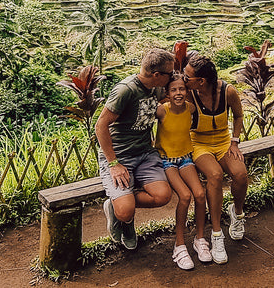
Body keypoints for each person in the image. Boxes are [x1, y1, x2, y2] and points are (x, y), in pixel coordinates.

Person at [95, 48, 174, 250]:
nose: (172, 77)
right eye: (170, 74)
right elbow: (101, 125)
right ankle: (124, 217)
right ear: (157, 75)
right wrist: (113, 163)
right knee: (125, 211)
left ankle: (118, 203)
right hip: (119, 156)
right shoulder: (125, 90)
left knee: (163, 196)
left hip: (145, 153)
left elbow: (166, 100)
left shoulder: (156, 88)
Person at [182, 54, 248, 264]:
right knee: (215, 174)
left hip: (223, 142)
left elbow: (238, 115)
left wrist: (235, 142)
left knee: (240, 174)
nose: (184, 79)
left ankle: (237, 214)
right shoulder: (190, 95)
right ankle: (217, 233)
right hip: (198, 144)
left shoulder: (227, 91)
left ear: (201, 81)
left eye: (188, 77)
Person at [157, 76, 209, 270]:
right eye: (173, 90)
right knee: (185, 196)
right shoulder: (162, 111)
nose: (178, 93)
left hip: (186, 158)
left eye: (182, 89)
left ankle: (200, 239)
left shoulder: (190, 108)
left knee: (200, 194)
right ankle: (179, 245)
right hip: (167, 161)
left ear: (187, 92)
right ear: (167, 94)